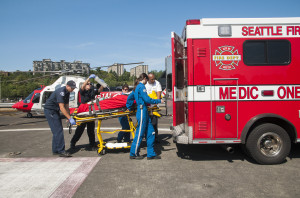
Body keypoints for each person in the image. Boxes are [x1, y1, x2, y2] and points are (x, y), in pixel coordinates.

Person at [128, 73, 163, 160]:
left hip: (144, 111)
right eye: (146, 80)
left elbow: (130, 97)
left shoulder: (136, 87)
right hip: (142, 111)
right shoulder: (141, 86)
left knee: (151, 132)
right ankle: (133, 153)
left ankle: (151, 154)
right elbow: (147, 99)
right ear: (144, 78)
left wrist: (129, 106)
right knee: (140, 133)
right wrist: (158, 100)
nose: (146, 82)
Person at [44, 80, 77, 157]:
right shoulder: (61, 92)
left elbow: (67, 106)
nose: (73, 89)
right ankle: (61, 151)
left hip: (55, 111)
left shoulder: (68, 92)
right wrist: (69, 118)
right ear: (67, 86)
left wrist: (69, 117)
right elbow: (62, 107)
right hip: (50, 111)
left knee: (57, 131)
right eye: (72, 88)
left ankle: (55, 150)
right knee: (58, 131)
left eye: (74, 88)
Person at [70, 74, 103, 150]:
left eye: (90, 84)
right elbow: (83, 86)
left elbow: (99, 91)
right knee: (80, 129)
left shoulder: (92, 92)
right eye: (88, 84)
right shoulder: (82, 92)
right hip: (83, 112)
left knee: (91, 130)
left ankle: (92, 144)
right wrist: (88, 78)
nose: (89, 85)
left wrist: (102, 84)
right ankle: (73, 142)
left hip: (90, 111)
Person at [145, 73, 162, 143]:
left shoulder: (157, 83)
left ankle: (156, 138)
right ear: (148, 79)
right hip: (147, 106)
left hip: (154, 107)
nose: (153, 80)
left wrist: (157, 102)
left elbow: (158, 94)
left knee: (154, 123)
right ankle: (147, 137)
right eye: (152, 79)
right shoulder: (145, 85)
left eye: (154, 78)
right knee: (147, 123)